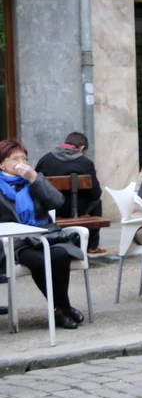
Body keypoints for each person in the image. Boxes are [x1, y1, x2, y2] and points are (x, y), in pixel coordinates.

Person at [0, 139, 83, 328]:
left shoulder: (34, 180)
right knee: (39, 261)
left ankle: (60, 309)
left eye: (24, 158)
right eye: (15, 159)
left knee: (60, 255)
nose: (21, 163)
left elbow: (57, 202)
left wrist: (34, 179)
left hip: (44, 237)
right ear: (2, 164)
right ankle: (64, 308)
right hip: (15, 243)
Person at [34, 132, 106, 255]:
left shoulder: (45, 160)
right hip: (74, 210)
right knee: (97, 202)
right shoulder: (86, 163)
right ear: (82, 147)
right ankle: (92, 245)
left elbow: (35, 186)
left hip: (50, 210)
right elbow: (96, 193)